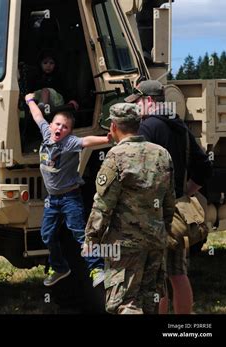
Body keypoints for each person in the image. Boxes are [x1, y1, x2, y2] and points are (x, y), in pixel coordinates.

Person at [124, 80, 212, 314]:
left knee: (154, 278)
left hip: (152, 215)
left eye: (138, 102)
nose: (136, 108)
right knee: (178, 273)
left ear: (149, 101)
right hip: (177, 215)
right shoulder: (180, 126)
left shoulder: (146, 129)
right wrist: (185, 193)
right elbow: (204, 167)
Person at [84, 103, 175, 314]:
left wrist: (91, 239)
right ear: (139, 123)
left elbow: (103, 205)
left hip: (125, 245)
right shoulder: (162, 154)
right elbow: (169, 202)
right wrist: (162, 230)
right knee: (149, 302)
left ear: (114, 126)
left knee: (126, 303)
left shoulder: (115, 156)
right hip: (155, 240)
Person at [24, 93, 108, 287]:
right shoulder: (46, 134)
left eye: (65, 127)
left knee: (79, 232)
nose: (60, 128)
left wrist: (107, 138)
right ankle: (60, 267)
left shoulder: (69, 143)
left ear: (70, 131)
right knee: (47, 234)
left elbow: (86, 141)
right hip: (52, 199)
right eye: (57, 124)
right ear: (51, 125)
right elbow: (38, 116)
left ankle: (97, 268)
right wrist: (29, 101)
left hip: (70, 197)